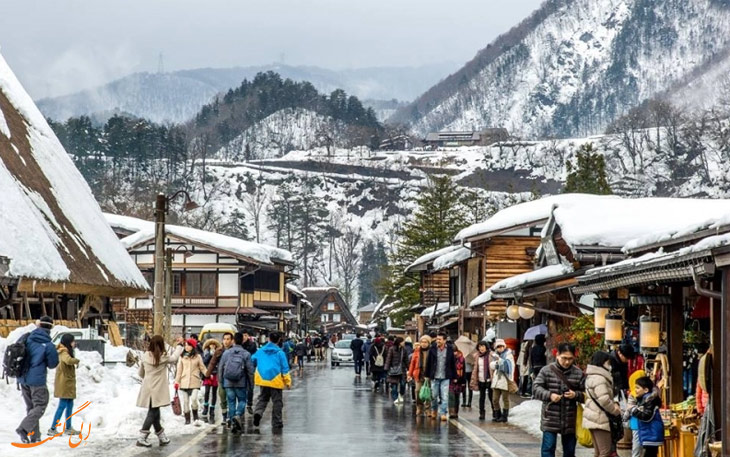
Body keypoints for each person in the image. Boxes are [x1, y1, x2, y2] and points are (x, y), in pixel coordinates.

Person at [533, 342, 586, 457]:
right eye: (564, 358)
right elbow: (536, 388)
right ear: (557, 355)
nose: (567, 362)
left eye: (570, 359)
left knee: (569, 451)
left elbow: (587, 394)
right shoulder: (546, 370)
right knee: (548, 448)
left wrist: (576, 395)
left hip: (570, 418)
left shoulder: (578, 373)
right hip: (550, 417)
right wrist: (549, 395)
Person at [16, 316, 60, 444]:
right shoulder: (48, 344)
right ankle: (23, 429)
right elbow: (53, 364)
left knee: (31, 407)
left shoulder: (27, 337)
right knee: (40, 405)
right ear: (50, 328)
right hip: (37, 380)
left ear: (39, 325)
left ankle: (35, 437)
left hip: (23, 378)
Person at [136, 335, 184, 447]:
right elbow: (175, 357)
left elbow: (140, 373)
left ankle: (161, 436)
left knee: (155, 411)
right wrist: (180, 345)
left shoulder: (144, 356)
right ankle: (142, 437)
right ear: (162, 345)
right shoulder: (163, 357)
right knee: (153, 412)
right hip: (157, 390)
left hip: (147, 388)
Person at [583, 351, 621, 457]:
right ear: (602, 362)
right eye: (608, 363)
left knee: (598, 452)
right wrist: (615, 410)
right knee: (605, 451)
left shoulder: (591, 376)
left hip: (593, 416)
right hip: (600, 418)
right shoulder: (600, 378)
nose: (609, 366)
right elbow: (604, 400)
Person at [252, 332, 292, 429]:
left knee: (262, 399)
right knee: (277, 402)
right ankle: (277, 422)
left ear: (268, 339)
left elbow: (252, 360)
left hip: (262, 378)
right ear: (278, 340)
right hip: (275, 379)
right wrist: (288, 382)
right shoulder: (280, 353)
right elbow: (285, 369)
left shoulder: (260, 351)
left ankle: (258, 413)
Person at [219, 332, 255, 433]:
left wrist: (221, 381)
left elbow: (221, 368)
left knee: (231, 401)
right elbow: (250, 371)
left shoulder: (226, 353)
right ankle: (238, 415)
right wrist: (251, 384)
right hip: (241, 382)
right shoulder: (246, 354)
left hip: (228, 382)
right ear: (242, 341)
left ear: (233, 340)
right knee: (242, 400)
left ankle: (232, 419)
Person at [48, 333, 80, 436]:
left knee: (70, 405)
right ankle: (53, 428)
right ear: (69, 342)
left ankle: (68, 427)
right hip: (64, 383)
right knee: (62, 405)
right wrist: (77, 360)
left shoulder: (64, 351)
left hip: (67, 383)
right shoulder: (63, 352)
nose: (74, 343)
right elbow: (68, 360)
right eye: (73, 341)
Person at [626, 377, 663, 457]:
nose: (635, 390)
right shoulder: (644, 399)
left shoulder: (649, 400)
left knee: (650, 454)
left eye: (637, 388)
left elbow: (646, 416)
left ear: (646, 390)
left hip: (652, 433)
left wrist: (634, 410)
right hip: (649, 432)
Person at [175, 338, 208, 426]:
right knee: (185, 401)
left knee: (193, 399)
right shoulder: (182, 357)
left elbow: (202, 367)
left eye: (188, 345)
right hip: (184, 381)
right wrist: (177, 381)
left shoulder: (198, 357)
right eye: (185, 345)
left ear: (193, 346)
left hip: (195, 381)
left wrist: (207, 374)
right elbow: (179, 370)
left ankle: (195, 415)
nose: (186, 347)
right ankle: (187, 419)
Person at [425, 332, 457, 422]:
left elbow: (452, 364)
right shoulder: (432, 349)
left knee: (444, 396)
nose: (438, 341)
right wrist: (427, 375)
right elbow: (429, 362)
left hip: (445, 376)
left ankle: (443, 413)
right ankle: (434, 410)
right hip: (435, 376)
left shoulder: (450, 349)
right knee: (434, 395)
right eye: (437, 339)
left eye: (440, 339)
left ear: (444, 340)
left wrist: (454, 376)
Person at [205, 332, 234, 426]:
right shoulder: (219, 351)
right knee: (222, 397)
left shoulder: (235, 350)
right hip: (221, 378)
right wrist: (207, 374)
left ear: (232, 340)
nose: (226, 341)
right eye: (224, 339)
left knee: (231, 397)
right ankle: (224, 415)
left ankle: (230, 416)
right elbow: (212, 363)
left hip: (232, 378)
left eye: (228, 339)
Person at [489, 339, 515, 423]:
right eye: (498, 347)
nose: (500, 348)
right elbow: (492, 366)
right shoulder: (495, 355)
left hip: (505, 380)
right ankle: (498, 414)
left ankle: (505, 416)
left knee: (505, 399)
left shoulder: (508, 355)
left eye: (501, 346)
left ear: (504, 346)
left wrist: (498, 361)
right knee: (495, 399)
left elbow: (508, 367)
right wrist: (496, 363)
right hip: (497, 380)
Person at [407, 335, 432, 416]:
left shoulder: (432, 351)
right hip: (419, 374)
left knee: (428, 392)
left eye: (425, 342)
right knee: (417, 391)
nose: (423, 344)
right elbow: (412, 364)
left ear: (428, 343)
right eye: (422, 342)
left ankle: (428, 409)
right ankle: (419, 407)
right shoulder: (417, 351)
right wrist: (410, 374)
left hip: (429, 374)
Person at [469, 341, 493, 420]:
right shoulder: (476, 356)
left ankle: (495, 412)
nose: (481, 348)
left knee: (491, 397)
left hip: (489, 379)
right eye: (479, 347)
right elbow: (475, 368)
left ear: (486, 347)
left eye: (483, 346)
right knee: (481, 397)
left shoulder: (491, 355)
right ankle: (482, 413)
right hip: (480, 378)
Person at [201, 339, 220, 423]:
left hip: (215, 374)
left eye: (214, 344)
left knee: (214, 392)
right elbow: (204, 362)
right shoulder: (206, 352)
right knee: (207, 391)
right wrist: (210, 354)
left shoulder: (219, 353)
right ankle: (205, 407)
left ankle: (212, 408)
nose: (212, 346)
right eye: (210, 344)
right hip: (208, 374)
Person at [385, 336, 408, 405]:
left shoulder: (404, 350)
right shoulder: (392, 349)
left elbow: (406, 360)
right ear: (399, 342)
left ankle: (401, 394)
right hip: (393, 370)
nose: (404, 343)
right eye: (403, 341)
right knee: (394, 386)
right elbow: (388, 359)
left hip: (402, 370)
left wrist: (409, 368)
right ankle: (395, 398)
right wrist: (387, 368)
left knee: (403, 384)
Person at [241, 331, 258, 415]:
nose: (244, 337)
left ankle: (249, 404)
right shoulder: (239, 344)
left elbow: (253, 355)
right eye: (243, 335)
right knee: (241, 387)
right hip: (240, 369)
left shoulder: (252, 345)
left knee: (250, 387)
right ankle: (242, 404)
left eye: (246, 335)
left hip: (250, 368)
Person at [449, 343, 466, 418]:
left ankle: (456, 412)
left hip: (459, 380)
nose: (453, 353)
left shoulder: (461, 359)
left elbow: (464, 370)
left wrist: (463, 381)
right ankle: (451, 412)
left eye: (455, 351)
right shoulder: (448, 358)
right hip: (450, 380)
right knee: (451, 396)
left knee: (457, 397)